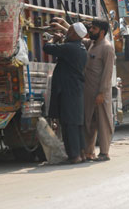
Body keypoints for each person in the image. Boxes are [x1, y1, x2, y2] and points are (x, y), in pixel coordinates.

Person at [43, 21, 89, 164]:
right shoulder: (80, 48)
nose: (67, 33)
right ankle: (81, 153)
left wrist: (53, 39)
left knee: (69, 123)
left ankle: (74, 155)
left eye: (69, 31)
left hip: (68, 90)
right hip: (74, 89)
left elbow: (47, 47)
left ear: (75, 34)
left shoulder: (70, 48)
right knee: (76, 123)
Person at [82, 19, 115, 162]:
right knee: (89, 123)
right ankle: (89, 153)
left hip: (100, 93)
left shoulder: (107, 47)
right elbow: (79, 37)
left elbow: (107, 73)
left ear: (102, 32)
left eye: (93, 29)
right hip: (88, 92)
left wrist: (102, 93)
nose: (90, 31)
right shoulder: (92, 44)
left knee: (103, 123)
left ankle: (104, 152)